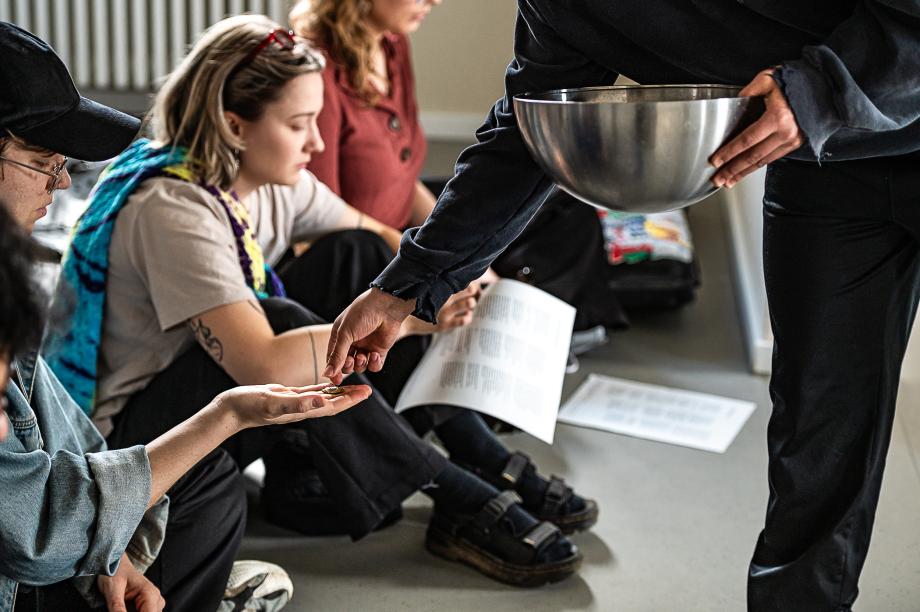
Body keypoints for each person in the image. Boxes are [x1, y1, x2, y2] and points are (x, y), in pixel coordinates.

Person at [324, 2, 920, 610]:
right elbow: (529, 131)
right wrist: (404, 286)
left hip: (872, 106)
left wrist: (821, 89)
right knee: (816, 442)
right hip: (825, 169)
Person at [48, 14, 589, 587]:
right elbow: (261, 364)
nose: (318, 141)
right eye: (299, 124)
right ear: (234, 125)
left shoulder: (270, 181)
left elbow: (376, 236)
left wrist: (446, 279)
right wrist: (415, 322)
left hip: (201, 395)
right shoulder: (173, 211)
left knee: (362, 259)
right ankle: (454, 490)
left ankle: (434, 454)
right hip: (134, 443)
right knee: (285, 320)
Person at [0, 21, 370, 612]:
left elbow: (54, 434)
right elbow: (39, 532)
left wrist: (111, 555)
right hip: (74, 492)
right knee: (263, 353)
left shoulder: (7, 283)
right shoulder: (169, 203)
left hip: (67, 496)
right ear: (236, 125)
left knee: (208, 477)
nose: (65, 180)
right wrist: (227, 415)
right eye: (44, 160)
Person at [291, 0, 628, 332]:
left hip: (402, 231)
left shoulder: (392, 44)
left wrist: (466, 257)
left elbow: (405, 183)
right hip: (365, 253)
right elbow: (320, 220)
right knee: (367, 250)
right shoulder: (318, 70)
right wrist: (434, 265)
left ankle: (534, 325)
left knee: (563, 204)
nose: (434, 1)